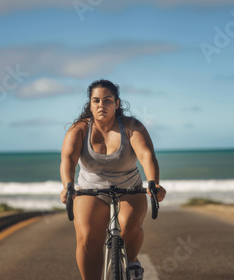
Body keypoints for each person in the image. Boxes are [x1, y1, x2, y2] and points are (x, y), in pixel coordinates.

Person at [60, 79, 166, 280]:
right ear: (90, 104)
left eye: (107, 100)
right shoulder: (80, 129)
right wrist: (68, 185)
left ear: (117, 103)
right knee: (88, 237)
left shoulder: (131, 126)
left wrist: (154, 183)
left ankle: (133, 261)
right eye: (96, 100)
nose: (102, 105)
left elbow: (146, 156)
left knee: (128, 226)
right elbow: (68, 159)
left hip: (129, 188)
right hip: (91, 190)